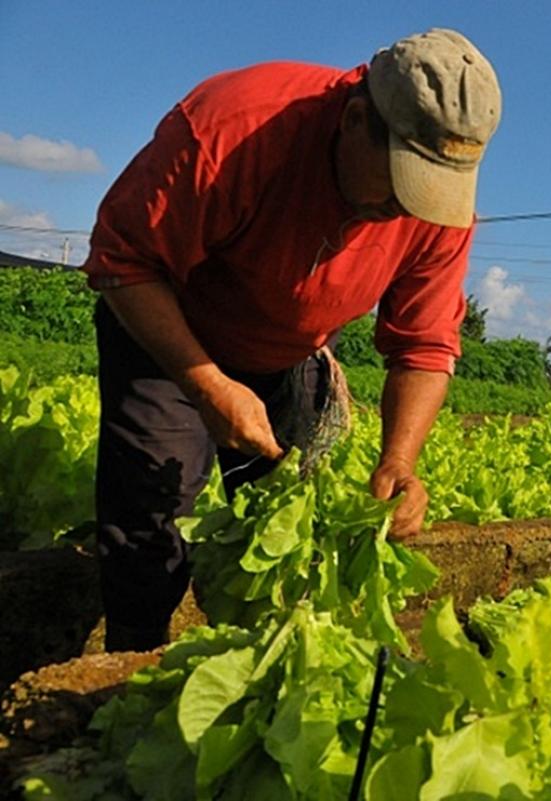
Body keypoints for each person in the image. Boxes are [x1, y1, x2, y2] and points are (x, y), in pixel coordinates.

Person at [81, 29, 502, 651]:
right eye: (400, 182)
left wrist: (399, 462)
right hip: (165, 331)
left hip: (286, 352)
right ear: (356, 120)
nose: (406, 209)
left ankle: (264, 676)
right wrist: (208, 384)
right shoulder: (237, 126)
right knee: (151, 521)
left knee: (289, 531)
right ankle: (127, 674)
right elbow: (124, 263)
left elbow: (424, 344)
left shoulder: (435, 214)